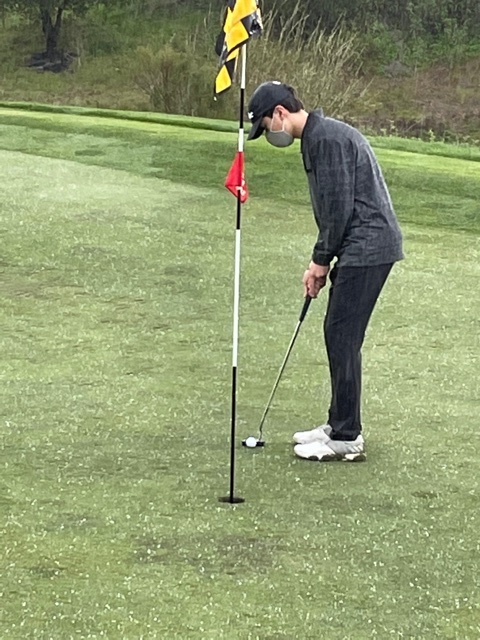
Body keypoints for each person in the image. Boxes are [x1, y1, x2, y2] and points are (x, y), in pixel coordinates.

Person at [247, 81, 404, 462]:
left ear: (280, 113)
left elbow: (337, 212)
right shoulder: (319, 136)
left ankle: (348, 436)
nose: (270, 133)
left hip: (368, 246)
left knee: (342, 336)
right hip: (359, 247)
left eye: (267, 125)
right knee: (339, 333)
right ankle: (338, 423)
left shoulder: (325, 140)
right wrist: (324, 259)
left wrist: (319, 262)